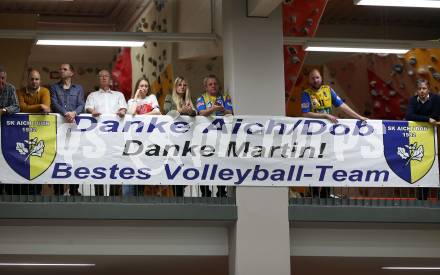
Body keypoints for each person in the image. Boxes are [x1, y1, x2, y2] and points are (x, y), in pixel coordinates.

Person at [301, 69, 367, 198]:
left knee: (329, 162)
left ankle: (325, 193)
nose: (315, 80)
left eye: (317, 77)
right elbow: (306, 113)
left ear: (321, 78)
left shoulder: (328, 90)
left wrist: (359, 117)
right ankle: (314, 194)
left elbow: (342, 105)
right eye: (313, 78)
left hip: (328, 135)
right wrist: (325, 115)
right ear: (309, 80)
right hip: (313, 135)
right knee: (315, 164)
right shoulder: (306, 94)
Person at [85, 69, 127, 196]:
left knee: (114, 165)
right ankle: (99, 197)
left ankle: (114, 197)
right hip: (98, 138)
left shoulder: (118, 95)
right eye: (101, 76)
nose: (103, 78)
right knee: (99, 165)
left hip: (115, 137)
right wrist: (92, 112)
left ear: (110, 79)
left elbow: (124, 108)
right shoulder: (92, 95)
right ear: (98, 79)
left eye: (106, 76)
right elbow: (88, 107)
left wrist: (123, 112)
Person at [50, 63, 85, 196]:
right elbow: (54, 103)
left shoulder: (78, 88)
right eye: (60, 69)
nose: (61, 71)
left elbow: (82, 104)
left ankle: (74, 189)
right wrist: (66, 113)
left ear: (72, 73)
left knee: (73, 157)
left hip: (74, 129)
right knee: (58, 157)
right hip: (58, 129)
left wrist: (74, 113)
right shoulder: (54, 87)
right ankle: (57, 190)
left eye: (65, 69)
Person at [196, 74, 233, 197]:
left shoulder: (225, 97)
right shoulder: (201, 98)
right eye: (210, 84)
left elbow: (230, 113)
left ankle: (221, 191)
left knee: (220, 163)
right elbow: (201, 112)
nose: (213, 86)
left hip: (221, 136)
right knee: (204, 164)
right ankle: (205, 192)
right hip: (205, 137)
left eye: (215, 84)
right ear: (206, 87)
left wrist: (222, 110)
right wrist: (213, 109)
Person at [126, 77, 163, 197]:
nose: (144, 88)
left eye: (146, 86)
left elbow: (157, 112)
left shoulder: (151, 98)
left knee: (144, 170)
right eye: (141, 86)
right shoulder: (132, 101)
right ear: (137, 87)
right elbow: (131, 112)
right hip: (135, 139)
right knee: (134, 167)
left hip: (149, 138)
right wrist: (136, 96)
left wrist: (142, 116)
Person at [16, 69, 51, 195]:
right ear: (27, 80)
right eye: (32, 79)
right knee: (23, 162)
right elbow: (22, 108)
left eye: (37, 79)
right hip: (22, 132)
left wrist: (42, 107)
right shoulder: (19, 92)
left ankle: (36, 193)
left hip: (41, 133)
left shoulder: (45, 91)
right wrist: (40, 106)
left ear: (40, 80)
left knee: (38, 163)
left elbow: (46, 107)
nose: (34, 81)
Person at [405, 78, 439, 200]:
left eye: (424, 88)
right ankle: (421, 198)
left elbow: (436, 115)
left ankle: (431, 197)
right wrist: (427, 120)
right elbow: (408, 115)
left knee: (432, 164)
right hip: (417, 137)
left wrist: (419, 118)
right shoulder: (413, 100)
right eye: (419, 89)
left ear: (428, 89)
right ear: (417, 91)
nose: (422, 91)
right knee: (419, 165)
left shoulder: (436, 99)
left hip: (432, 137)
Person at [164, 76, 196, 196]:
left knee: (186, 166)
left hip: (187, 139)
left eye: (184, 85)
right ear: (175, 86)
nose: (182, 87)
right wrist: (182, 111)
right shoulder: (169, 98)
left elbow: (195, 112)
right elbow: (167, 110)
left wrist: (191, 112)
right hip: (173, 138)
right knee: (175, 167)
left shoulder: (189, 100)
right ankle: (177, 196)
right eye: (179, 85)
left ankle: (180, 193)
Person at [0, 66, 20, 196]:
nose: (1, 81)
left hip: (7, 132)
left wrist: (4, 110)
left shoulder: (10, 88)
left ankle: (8, 190)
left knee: (7, 159)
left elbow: (17, 106)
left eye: (2, 78)